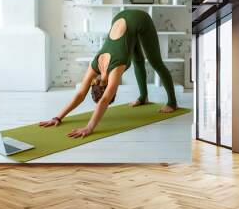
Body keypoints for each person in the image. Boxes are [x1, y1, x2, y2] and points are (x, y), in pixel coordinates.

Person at [39, 9, 177, 138]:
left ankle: (172, 103)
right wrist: (57, 117)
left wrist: (89, 127)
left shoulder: (115, 70)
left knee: (155, 61)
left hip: (141, 19)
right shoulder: (95, 65)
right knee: (138, 60)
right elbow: (81, 95)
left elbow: (102, 100)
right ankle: (143, 98)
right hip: (119, 16)